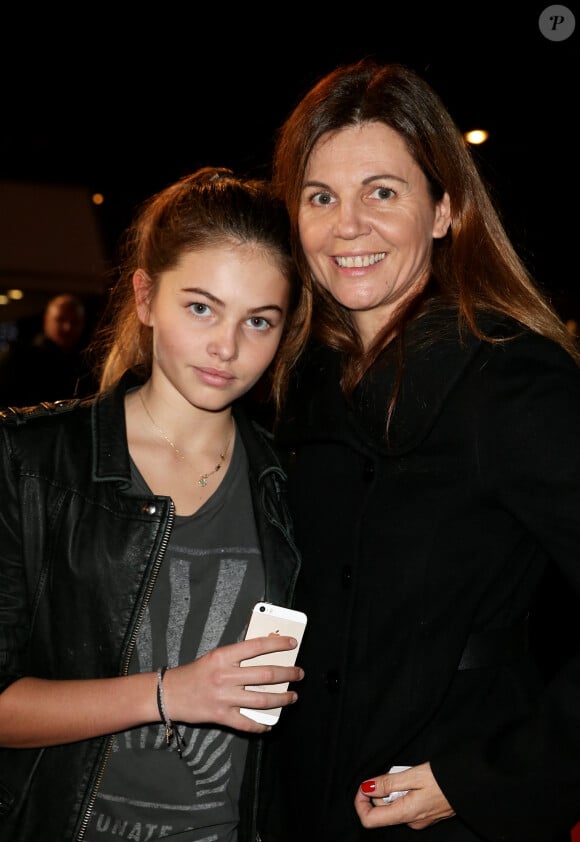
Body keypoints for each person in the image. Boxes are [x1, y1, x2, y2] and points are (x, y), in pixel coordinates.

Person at [256, 59, 580, 842]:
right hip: (297, 797)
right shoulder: (290, 382)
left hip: (437, 807)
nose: (348, 226)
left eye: (383, 192)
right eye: (321, 196)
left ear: (443, 210)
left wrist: (479, 780)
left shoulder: (510, 377)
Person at [0, 166, 311, 842]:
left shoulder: (292, 486)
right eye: (201, 307)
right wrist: (170, 692)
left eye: (259, 321)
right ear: (145, 296)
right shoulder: (33, 462)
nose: (226, 348)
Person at [0, 292, 95, 406]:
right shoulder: (21, 359)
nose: (67, 327)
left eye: (75, 322)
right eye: (60, 319)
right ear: (46, 320)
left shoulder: (89, 361)